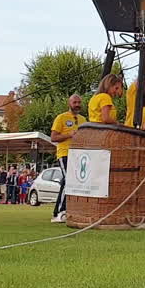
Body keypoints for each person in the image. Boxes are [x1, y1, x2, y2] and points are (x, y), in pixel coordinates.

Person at [49, 93, 86, 223]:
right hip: (65, 153)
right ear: (69, 103)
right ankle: (59, 212)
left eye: (79, 102)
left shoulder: (83, 120)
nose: (77, 105)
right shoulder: (61, 118)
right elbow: (53, 137)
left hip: (79, 155)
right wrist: (69, 134)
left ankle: (67, 210)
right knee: (68, 179)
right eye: (74, 102)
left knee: (71, 181)